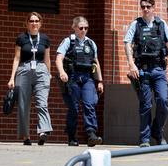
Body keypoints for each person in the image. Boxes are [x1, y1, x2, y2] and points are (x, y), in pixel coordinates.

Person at [124, 0, 168, 147]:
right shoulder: (136, 24)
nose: (145, 9)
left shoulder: (161, 24)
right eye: (143, 7)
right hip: (143, 71)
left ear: (154, 8)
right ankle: (145, 139)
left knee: (164, 101)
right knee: (145, 105)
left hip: (159, 70)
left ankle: (157, 131)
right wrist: (131, 64)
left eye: (148, 6)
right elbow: (127, 43)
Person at [55, 16, 104, 147]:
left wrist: (99, 81)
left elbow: (96, 62)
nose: (83, 30)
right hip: (73, 77)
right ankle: (72, 136)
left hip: (87, 77)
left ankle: (91, 133)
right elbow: (59, 58)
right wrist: (62, 72)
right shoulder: (68, 41)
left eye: (86, 28)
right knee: (74, 108)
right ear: (74, 28)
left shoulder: (91, 43)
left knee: (89, 104)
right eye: (81, 28)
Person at [7, 12, 53, 146]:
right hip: (24, 70)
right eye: (31, 21)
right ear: (27, 23)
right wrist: (12, 78)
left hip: (41, 70)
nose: (34, 23)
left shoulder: (44, 39)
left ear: (40, 23)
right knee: (23, 104)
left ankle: (43, 131)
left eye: (36, 21)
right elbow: (16, 58)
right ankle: (25, 136)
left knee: (42, 102)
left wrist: (49, 74)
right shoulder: (21, 38)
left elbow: (47, 59)